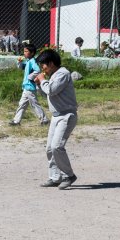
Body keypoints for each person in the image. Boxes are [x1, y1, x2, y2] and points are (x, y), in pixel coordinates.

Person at [35, 49, 78, 190]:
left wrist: (42, 80)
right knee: (49, 148)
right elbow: (48, 93)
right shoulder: (53, 75)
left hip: (66, 115)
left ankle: (69, 175)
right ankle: (55, 177)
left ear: (51, 63)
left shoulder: (63, 74)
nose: (43, 68)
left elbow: (51, 90)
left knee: (57, 146)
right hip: (56, 116)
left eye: (44, 65)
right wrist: (39, 84)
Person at [9, 41, 48, 127]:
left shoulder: (32, 61)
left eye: (26, 51)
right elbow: (21, 67)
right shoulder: (28, 61)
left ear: (32, 53)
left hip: (30, 87)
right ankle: (16, 120)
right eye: (24, 51)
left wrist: (30, 77)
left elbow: (37, 70)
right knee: (22, 104)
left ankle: (44, 119)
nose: (24, 53)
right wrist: (19, 62)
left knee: (34, 104)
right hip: (26, 87)